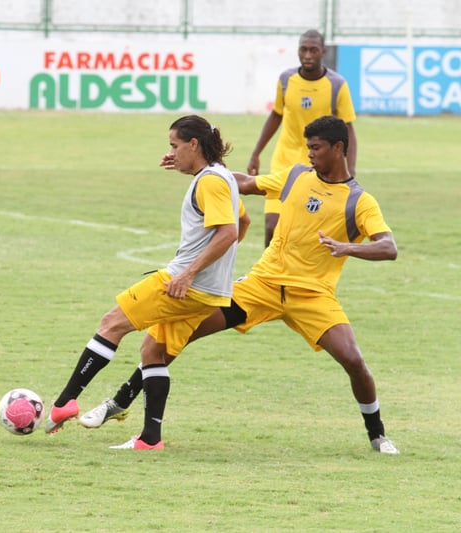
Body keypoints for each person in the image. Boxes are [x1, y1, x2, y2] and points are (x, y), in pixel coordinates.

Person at [81, 116, 400, 455]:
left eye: (316, 148)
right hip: (260, 287)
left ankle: (377, 434)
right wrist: (200, 168)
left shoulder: (359, 201)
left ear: (339, 149)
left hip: (312, 295)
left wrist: (347, 247)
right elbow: (245, 182)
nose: (309, 155)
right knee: (181, 331)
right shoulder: (296, 176)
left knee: (353, 360)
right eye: (307, 147)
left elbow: (388, 246)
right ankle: (119, 402)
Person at [45, 115, 242, 451]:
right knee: (153, 351)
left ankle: (66, 401)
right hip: (211, 293)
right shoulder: (220, 177)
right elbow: (242, 220)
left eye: (174, 146)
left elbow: (229, 232)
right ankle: (150, 439)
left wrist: (189, 272)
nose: (171, 152)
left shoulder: (211, 182)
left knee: (111, 324)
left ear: (194, 144)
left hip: (183, 285)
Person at [248, 29, 357, 247]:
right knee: (272, 225)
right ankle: (268, 277)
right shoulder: (287, 79)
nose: (307, 55)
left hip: (318, 164)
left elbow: (348, 130)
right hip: (284, 160)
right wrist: (256, 153)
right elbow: (276, 115)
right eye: (303, 50)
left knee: (305, 231)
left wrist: (350, 169)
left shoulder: (337, 85)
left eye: (313, 50)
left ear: (323, 52)